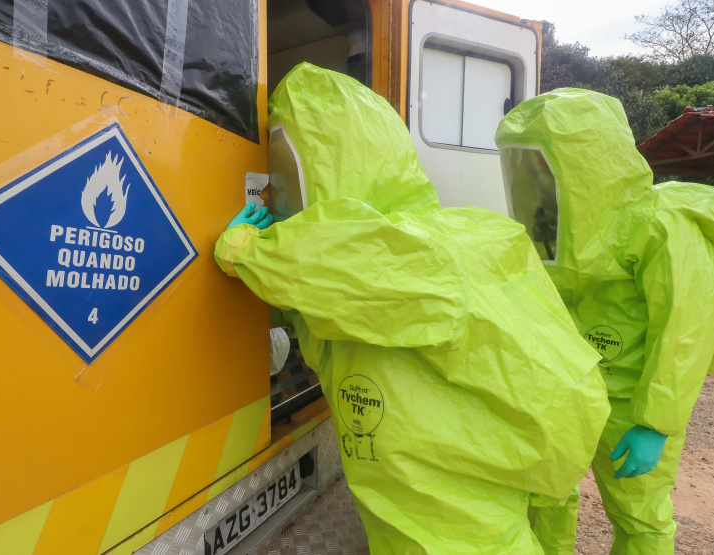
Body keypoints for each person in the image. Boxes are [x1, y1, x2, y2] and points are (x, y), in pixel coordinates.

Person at [215, 64, 610, 553]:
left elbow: (324, 264)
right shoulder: (464, 231)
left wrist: (241, 246)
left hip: (445, 470)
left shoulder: (397, 252)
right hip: (506, 440)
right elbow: (328, 296)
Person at [496, 88, 714, 554]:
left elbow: (686, 328)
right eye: (529, 161)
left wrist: (657, 423)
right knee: (547, 495)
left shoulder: (659, 227)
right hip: (565, 392)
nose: (537, 173)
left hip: (632, 401)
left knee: (639, 516)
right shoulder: (552, 229)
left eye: (546, 160)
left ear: (587, 158)